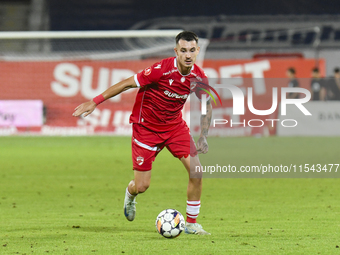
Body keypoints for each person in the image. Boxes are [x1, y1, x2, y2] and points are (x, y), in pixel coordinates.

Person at [72, 31, 212, 235]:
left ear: (197, 51)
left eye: (192, 50)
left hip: (174, 128)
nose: (188, 55)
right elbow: (127, 83)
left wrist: (204, 136)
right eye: (183, 51)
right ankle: (130, 193)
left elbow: (207, 105)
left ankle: (191, 223)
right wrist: (95, 101)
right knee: (142, 185)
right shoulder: (160, 70)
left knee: (196, 171)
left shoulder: (198, 77)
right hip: (146, 128)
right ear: (176, 51)